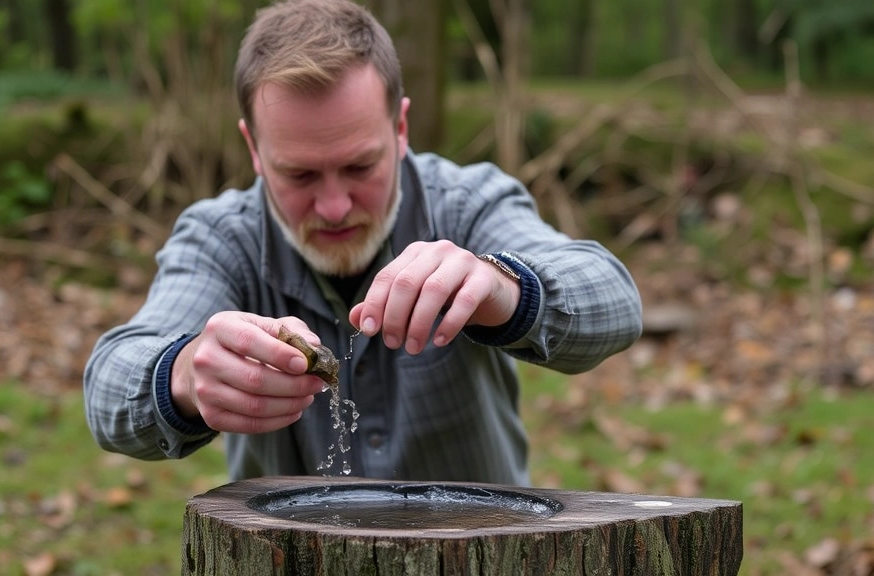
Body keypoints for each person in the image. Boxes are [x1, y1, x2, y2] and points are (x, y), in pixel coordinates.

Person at [83, 0, 642, 486]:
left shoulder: (468, 204)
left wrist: (501, 289)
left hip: (480, 551)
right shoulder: (221, 238)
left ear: (400, 129)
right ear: (253, 148)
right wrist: (183, 375)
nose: (334, 206)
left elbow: (614, 300)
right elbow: (108, 390)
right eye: (300, 175)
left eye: (359, 166)